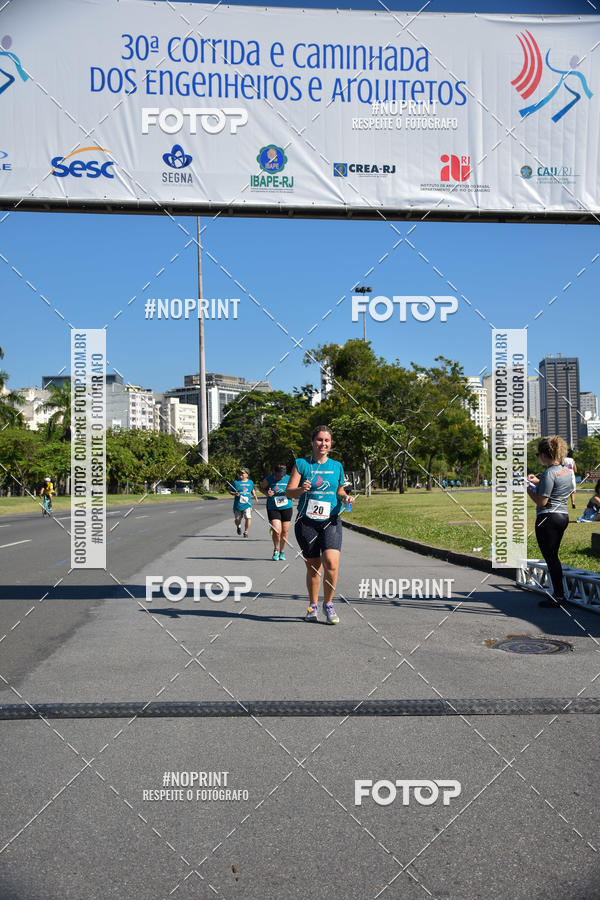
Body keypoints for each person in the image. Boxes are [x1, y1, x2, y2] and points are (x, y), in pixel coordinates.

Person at [286, 425, 354, 625]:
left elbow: (339, 490)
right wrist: (301, 489)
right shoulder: (301, 464)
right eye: (319, 440)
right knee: (314, 567)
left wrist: (346, 497)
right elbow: (289, 492)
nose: (323, 444)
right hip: (306, 522)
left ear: (331, 443)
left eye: (327, 440)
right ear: (312, 442)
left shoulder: (336, 466)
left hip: (330, 520)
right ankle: (313, 606)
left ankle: (329, 605)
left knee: (331, 563)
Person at [526, 436, 572, 608]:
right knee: (554, 557)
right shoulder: (565, 471)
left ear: (544, 454)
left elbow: (541, 501)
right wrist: (538, 482)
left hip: (547, 518)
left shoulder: (548, 473)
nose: (539, 457)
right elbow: (557, 489)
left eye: (538, 454)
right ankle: (560, 593)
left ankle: (559, 596)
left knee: (551, 558)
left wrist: (527, 489)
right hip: (562, 516)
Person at [261, 463, 293, 561]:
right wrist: (267, 493)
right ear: (274, 472)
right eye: (278, 474)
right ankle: (276, 549)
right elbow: (261, 488)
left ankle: (282, 551)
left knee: (285, 531)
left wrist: (292, 493)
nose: (280, 477)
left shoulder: (289, 478)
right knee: (276, 530)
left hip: (286, 507)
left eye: (282, 475)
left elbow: (295, 489)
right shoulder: (269, 479)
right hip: (273, 506)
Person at [228, 468, 257, 538]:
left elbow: (252, 489)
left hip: (247, 504)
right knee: (237, 519)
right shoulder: (235, 482)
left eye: (243, 473)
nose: (241, 474)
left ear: (247, 475)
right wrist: (234, 493)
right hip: (238, 504)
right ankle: (238, 526)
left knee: (248, 517)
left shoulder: (250, 482)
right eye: (240, 473)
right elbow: (229, 490)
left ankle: (246, 532)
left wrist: (255, 495)